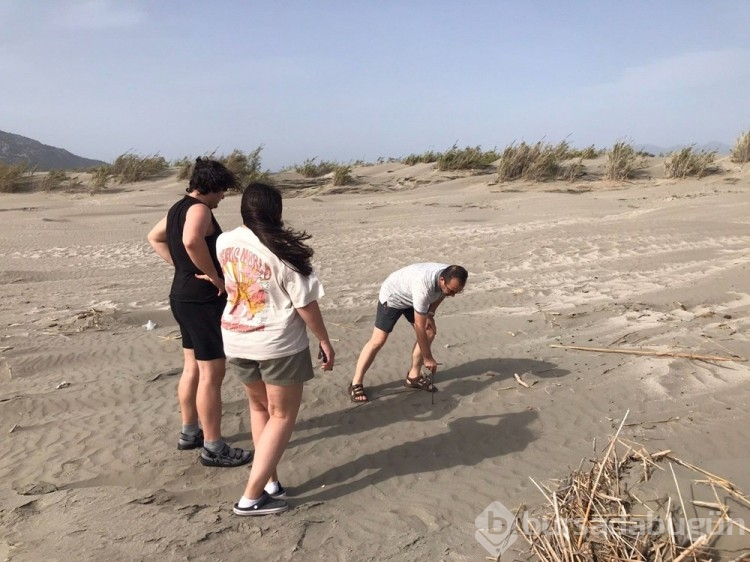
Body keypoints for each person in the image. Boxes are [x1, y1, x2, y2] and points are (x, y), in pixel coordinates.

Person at [217, 181, 335, 516]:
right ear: (276, 211)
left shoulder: (225, 241)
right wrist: (324, 340)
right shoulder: (283, 250)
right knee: (281, 415)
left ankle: (269, 482)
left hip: (236, 336)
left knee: (259, 410)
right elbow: (305, 305)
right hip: (276, 343)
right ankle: (251, 497)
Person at [147, 157, 252, 467]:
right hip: (202, 300)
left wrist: (181, 267)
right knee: (212, 373)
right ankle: (213, 446)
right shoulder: (199, 209)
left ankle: (190, 432)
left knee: (192, 366)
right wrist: (216, 277)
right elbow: (192, 241)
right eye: (223, 191)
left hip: (182, 296)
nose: (224, 197)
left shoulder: (177, 207)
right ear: (213, 187)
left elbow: (155, 238)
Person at [348, 263, 468, 403]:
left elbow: (442, 294)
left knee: (430, 332)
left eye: (457, 292)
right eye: (452, 290)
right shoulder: (424, 287)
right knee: (378, 340)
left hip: (412, 298)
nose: (452, 295)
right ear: (442, 280)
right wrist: (428, 357)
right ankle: (356, 383)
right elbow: (419, 326)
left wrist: (430, 313)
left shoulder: (450, 274)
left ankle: (414, 376)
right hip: (393, 297)